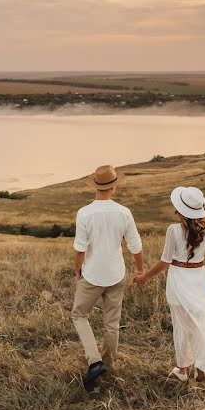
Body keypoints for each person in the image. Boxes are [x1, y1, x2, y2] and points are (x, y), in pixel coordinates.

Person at [134, 186, 205, 381]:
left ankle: (182, 370)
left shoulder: (173, 230)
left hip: (179, 279)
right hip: (200, 279)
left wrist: (145, 276)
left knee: (181, 325)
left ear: (180, 209)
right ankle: (201, 367)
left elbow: (165, 261)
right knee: (199, 324)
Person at [71, 164, 144, 390]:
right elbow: (135, 245)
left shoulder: (84, 213)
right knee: (112, 323)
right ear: (114, 188)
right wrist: (140, 269)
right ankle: (108, 366)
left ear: (95, 186)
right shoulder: (124, 212)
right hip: (116, 274)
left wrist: (78, 268)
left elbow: (80, 248)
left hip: (92, 274)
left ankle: (95, 361)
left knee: (79, 314)